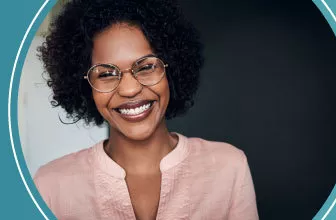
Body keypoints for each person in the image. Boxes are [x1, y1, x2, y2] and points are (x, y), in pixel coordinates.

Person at [33, 0, 259, 219]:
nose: (130, 89)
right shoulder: (51, 186)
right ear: (85, 86)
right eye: (106, 73)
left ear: (172, 69)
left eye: (146, 67)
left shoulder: (228, 168)